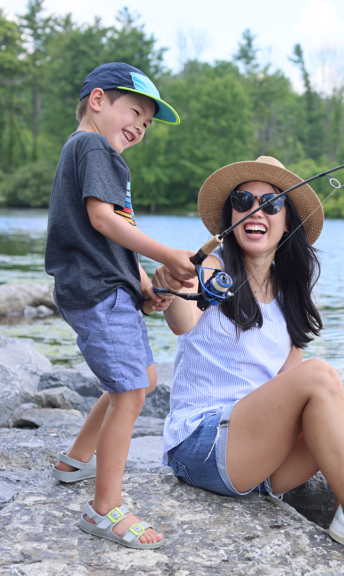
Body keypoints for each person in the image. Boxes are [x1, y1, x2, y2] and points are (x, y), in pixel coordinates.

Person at [154, 156, 344, 571]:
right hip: (201, 447)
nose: (255, 210)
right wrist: (168, 287)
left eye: (271, 203)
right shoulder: (210, 268)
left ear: (287, 221)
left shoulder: (288, 293)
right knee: (319, 374)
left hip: (259, 462)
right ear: (229, 216)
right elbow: (183, 321)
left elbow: (288, 385)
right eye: (243, 200)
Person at [45, 62, 193, 549]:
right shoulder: (93, 146)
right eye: (134, 111)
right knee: (130, 390)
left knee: (141, 380)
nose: (140, 126)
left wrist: (143, 285)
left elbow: (110, 240)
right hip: (95, 290)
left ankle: (76, 458)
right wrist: (168, 254)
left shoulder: (91, 151)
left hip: (106, 284)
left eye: (147, 123)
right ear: (98, 100)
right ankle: (104, 509)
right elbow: (104, 221)